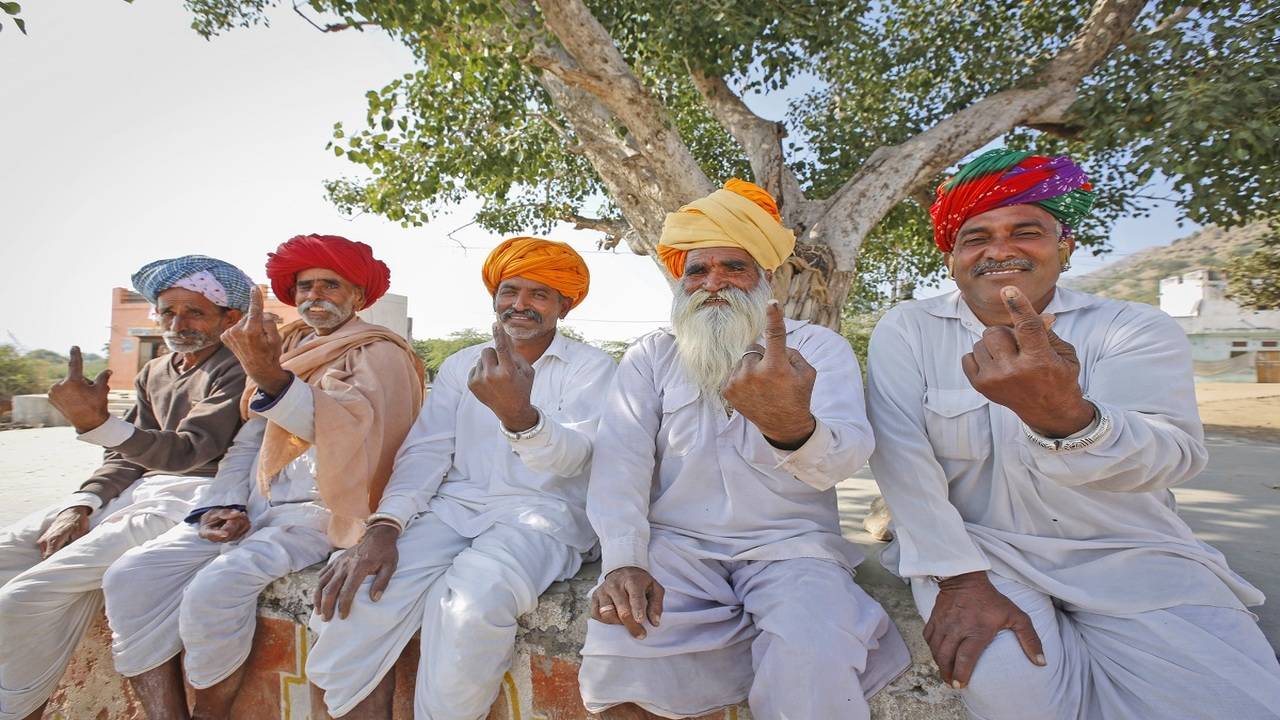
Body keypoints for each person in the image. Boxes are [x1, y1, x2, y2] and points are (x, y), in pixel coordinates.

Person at [867, 148, 1280, 719]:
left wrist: (1064, 416)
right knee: (1014, 694)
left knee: (1231, 704)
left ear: (1065, 247)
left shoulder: (1131, 328)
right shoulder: (909, 329)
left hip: (1131, 554)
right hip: (982, 556)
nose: (999, 250)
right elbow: (902, 461)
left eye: (1026, 231)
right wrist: (959, 580)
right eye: (976, 236)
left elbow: (1175, 457)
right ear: (952, 256)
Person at [579, 180, 910, 719]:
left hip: (793, 547)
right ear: (680, 282)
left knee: (815, 655)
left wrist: (789, 424)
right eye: (697, 270)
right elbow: (621, 465)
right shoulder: (651, 356)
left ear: (767, 278)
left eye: (734, 267)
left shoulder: (818, 348)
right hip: (676, 548)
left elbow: (848, 456)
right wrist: (622, 560)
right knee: (622, 651)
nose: (714, 283)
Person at [102, 234, 425, 720]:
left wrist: (272, 377)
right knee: (131, 575)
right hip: (256, 504)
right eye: (305, 286)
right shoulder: (286, 342)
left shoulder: (379, 353)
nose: (315, 295)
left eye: (331, 285)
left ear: (359, 296)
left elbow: (345, 431)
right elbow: (252, 437)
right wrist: (226, 503)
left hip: (327, 514)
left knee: (216, 590)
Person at [306, 237, 615, 719]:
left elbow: (576, 459)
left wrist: (521, 417)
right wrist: (384, 527)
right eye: (511, 290)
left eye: (539, 295)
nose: (520, 304)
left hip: (545, 519)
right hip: (454, 510)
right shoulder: (460, 365)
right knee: (354, 601)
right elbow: (427, 452)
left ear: (565, 306)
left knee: (469, 616)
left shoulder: (592, 368)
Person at [0, 255, 251, 720]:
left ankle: (19, 710)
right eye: (168, 311)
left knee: (21, 598)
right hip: (134, 493)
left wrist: (98, 423)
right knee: (7, 553)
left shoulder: (237, 368)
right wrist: (83, 502)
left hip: (192, 498)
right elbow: (123, 457)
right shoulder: (155, 370)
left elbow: (188, 451)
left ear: (229, 318)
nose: (178, 322)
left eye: (195, 312)